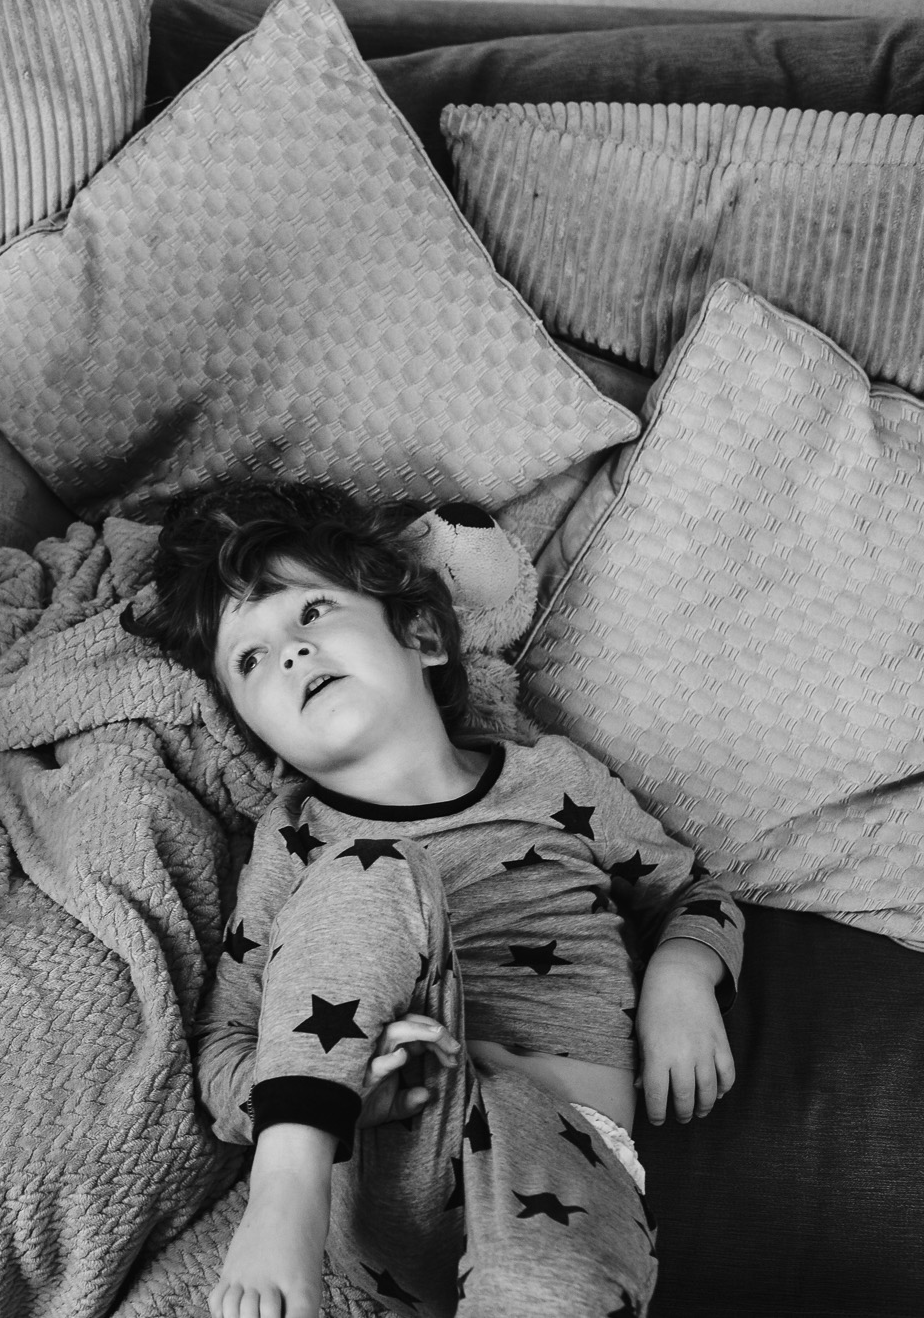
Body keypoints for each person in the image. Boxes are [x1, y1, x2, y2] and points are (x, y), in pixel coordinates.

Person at [125, 481, 742, 1318]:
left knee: (558, 1292)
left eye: (312, 612)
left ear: (419, 633)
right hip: (386, 1157)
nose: (292, 653)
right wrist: (341, 1099)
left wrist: (683, 973)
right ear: (254, 727)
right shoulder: (297, 835)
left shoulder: (554, 778)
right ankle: (286, 1185)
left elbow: (690, 887)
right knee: (369, 868)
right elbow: (227, 1038)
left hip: (565, 1165)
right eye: (252, 658)